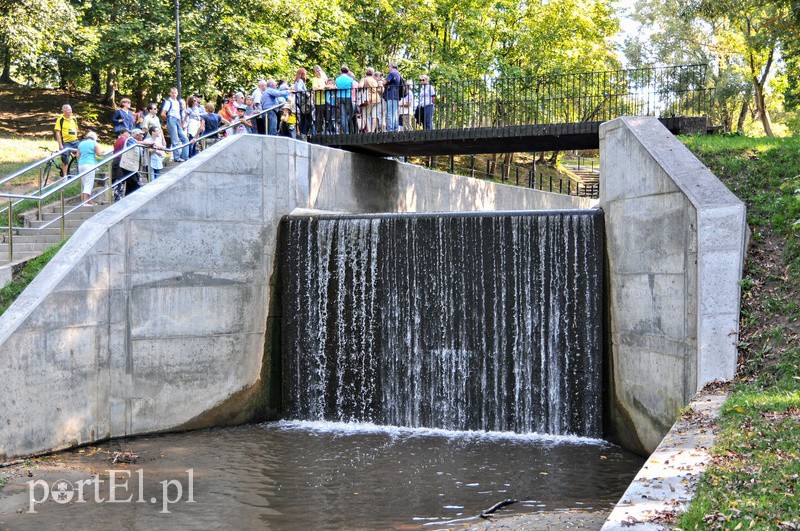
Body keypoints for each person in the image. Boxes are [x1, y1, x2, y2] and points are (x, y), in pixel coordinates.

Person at [160, 87, 189, 162]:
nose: (174, 94)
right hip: (172, 118)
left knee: (185, 139)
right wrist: (168, 120)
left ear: (177, 93)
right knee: (175, 139)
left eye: (175, 93)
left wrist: (180, 123)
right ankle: (177, 157)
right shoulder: (168, 101)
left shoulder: (178, 102)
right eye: (172, 93)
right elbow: (163, 113)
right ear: (170, 93)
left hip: (177, 120)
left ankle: (184, 156)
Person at [76, 131, 104, 204]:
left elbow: (77, 155)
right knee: (89, 183)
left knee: (85, 183)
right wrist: (104, 153)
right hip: (90, 164)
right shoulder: (94, 143)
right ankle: (85, 201)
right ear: (94, 138)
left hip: (81, 164)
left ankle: (89, 200)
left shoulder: (81, 144)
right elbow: (99, 154)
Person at [53, 104, 79, 177]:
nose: (70, 111)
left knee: (84, 150)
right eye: (68, 109)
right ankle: (64, 176)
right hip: (66, 142)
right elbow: (57, 132)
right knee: (65, 158)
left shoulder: (74, 118)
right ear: (63, 111)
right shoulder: (60, 119)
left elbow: (76, 129)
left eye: (70, 109)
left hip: (75, 141)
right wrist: (60, 144)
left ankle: (82, 169)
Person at [119, 128, 145, 197]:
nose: (142, 136)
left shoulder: (138, 143)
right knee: (135, 185)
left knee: (130, 186)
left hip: (133, 168)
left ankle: (127, 199)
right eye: (141, 134)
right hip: (127, 167)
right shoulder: (130, 140)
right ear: (136, 135)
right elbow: (134, 144)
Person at [335, 66, 358, 134]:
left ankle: (346, 131)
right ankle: (346, 123)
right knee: (350, 113)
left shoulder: (337, 79)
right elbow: (353, 87)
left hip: (339, 96)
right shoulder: (350, 79)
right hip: (348, 96)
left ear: (340, 71)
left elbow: (336, 86)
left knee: (343, 114)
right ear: (348, 72)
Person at [359, 67, 382, 133]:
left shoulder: (364, 79)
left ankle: (369, 131)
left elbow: (360, 86)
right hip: (377, 99)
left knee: (365, 115)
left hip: (368, 99)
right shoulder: (374, 80)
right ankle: (372, 131)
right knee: (374, 116)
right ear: (372, 73)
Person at [383, 62, 403, 132]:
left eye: (389, 67)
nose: (388, 68)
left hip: (391, 95)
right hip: (396, 95)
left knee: (390, 113)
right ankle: (395, 128)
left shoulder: (392, 73)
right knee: (394, 113)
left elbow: (384, 82)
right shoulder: (398, 74)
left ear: (391, 67)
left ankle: (390, 129)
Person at [293, 68, 313, 140]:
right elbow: (299, 89)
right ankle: (304, 132)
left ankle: (302, 132)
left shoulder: (296, 81)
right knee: (308, 117)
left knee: (303, 117)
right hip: (303, 101)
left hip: (299, 101)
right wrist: (306, 94)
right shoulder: (301, 81)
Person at [311, 66, 328, 135]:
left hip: (326, 100)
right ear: (315, 73)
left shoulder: (324, 79)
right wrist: (322, 88)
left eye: (320, 70)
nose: (319, 72)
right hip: (319, 101)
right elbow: (314, 88)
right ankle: (319, 131)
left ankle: (327, 131)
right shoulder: (315, 79)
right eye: (317, 71)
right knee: (319, 117)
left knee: (327, 116)